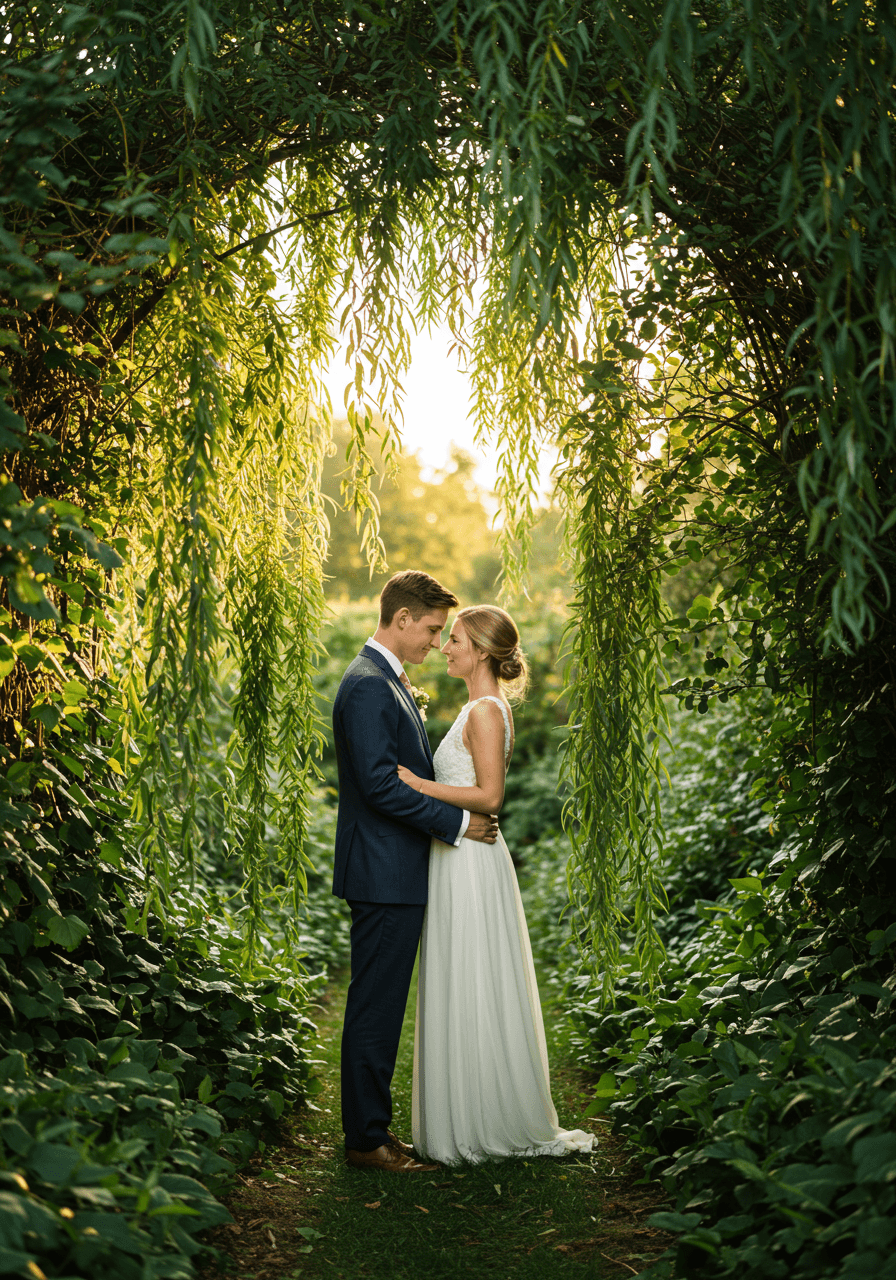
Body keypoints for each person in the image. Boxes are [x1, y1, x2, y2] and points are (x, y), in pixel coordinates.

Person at [397, 605, 595, 1165]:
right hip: (457, 852)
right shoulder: (478, 707)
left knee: (473, 973)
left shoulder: (485, 710)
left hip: (470, 858)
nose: (445, 646)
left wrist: (417, 785)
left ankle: (483, 1119)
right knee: (463, 974)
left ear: (482, 651)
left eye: (455, 638)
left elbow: (489, 798)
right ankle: (464, 1112)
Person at [332, 571, 500, 1173]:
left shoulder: (384, 679)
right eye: (431, 629)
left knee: (381, 1004)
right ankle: (366, 1143)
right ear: (400, 619)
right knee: (375, 1006)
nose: (434, 642)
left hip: (393, 868)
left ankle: (373, 1131)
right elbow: (380, 786)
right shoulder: (369, 685)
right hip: (382, 870)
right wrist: (457, 827)